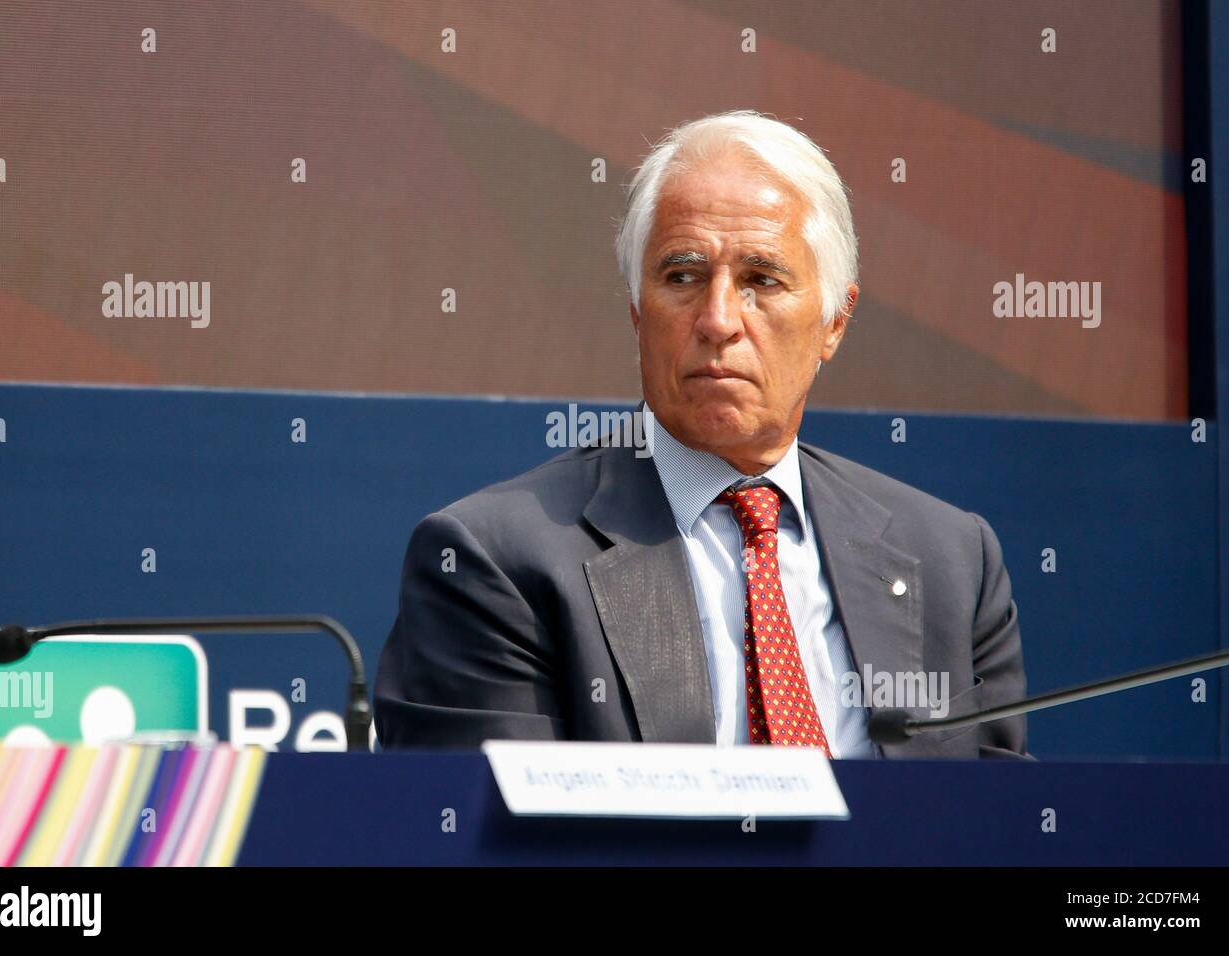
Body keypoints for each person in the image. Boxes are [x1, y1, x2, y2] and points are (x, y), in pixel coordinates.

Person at [374, 109, 1029, 758]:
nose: (718, 320)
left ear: (835, 320)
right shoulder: (497, 561)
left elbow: (997, 830)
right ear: (637, 311)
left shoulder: (952, 561)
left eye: (760, 280)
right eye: (682, 277)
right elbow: (486, 840)